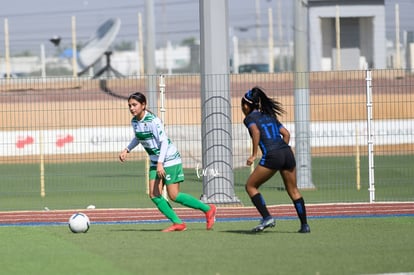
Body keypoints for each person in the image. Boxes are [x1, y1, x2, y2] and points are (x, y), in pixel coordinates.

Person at [119, 92, 217, 232]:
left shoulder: (153, 120)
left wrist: (160, 163)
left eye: (134, 105)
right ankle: (178, 223)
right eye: (129, 105)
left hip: (169, 159)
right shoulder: (135, 121)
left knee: (174, 195)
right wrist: (127, 149)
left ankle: (208, 209)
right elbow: (139, 137)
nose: (131, 108)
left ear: (143, 105)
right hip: (156, 161)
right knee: (154, 195)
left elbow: (164, 142)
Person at [241, 86, 310, 233]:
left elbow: (256, 132)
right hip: (287, 152)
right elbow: (286, 134)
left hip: (273, 155)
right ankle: (305, 225)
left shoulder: (249, 119)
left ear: (246, 105)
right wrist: (281, 150)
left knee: (250, 186)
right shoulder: (269, 115)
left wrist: (254, 155)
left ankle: (267, 217)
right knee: (293, 190)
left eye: (242, 105)